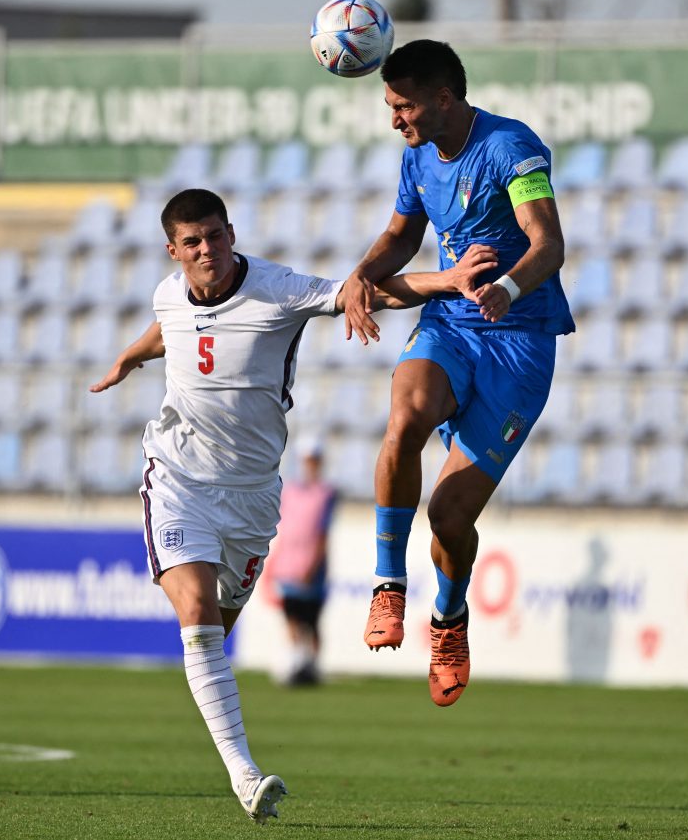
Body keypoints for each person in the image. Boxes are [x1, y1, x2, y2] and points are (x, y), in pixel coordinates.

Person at [89, 188, 495, 823]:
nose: (207, 251)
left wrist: (447, 280)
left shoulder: (276, 290)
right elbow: (166, 328)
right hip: (177, 476)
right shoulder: (169, 294)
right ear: (174, 251)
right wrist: (128, 357)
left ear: (231, 232)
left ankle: (225, 728)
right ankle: (245, 775)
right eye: (192, 243)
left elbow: (366, 293)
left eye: (216, 236)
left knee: (213, 636)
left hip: (252, 495)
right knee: (195, 615)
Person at [340, 40, 574, 707]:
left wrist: (508, 285)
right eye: (390, 105)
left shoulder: (509, 146)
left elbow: (548, 243)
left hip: (519, 340)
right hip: (449, 325)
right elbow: (401, 234)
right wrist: (361, 274)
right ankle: (388, 584)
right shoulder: (416, 154)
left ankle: (448, 616)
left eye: (404, 105)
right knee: (404, 418)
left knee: (447, 515)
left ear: (445, 98)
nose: (394, 119)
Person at [265, 436, 336, 686]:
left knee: (312, 620)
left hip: (311, 566)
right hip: (288, 564)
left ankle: (312, 666)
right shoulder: (289, 491)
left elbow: (322, 534)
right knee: (292, 616)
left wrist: (314, 564)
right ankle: (297, 662)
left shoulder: (326, 493)